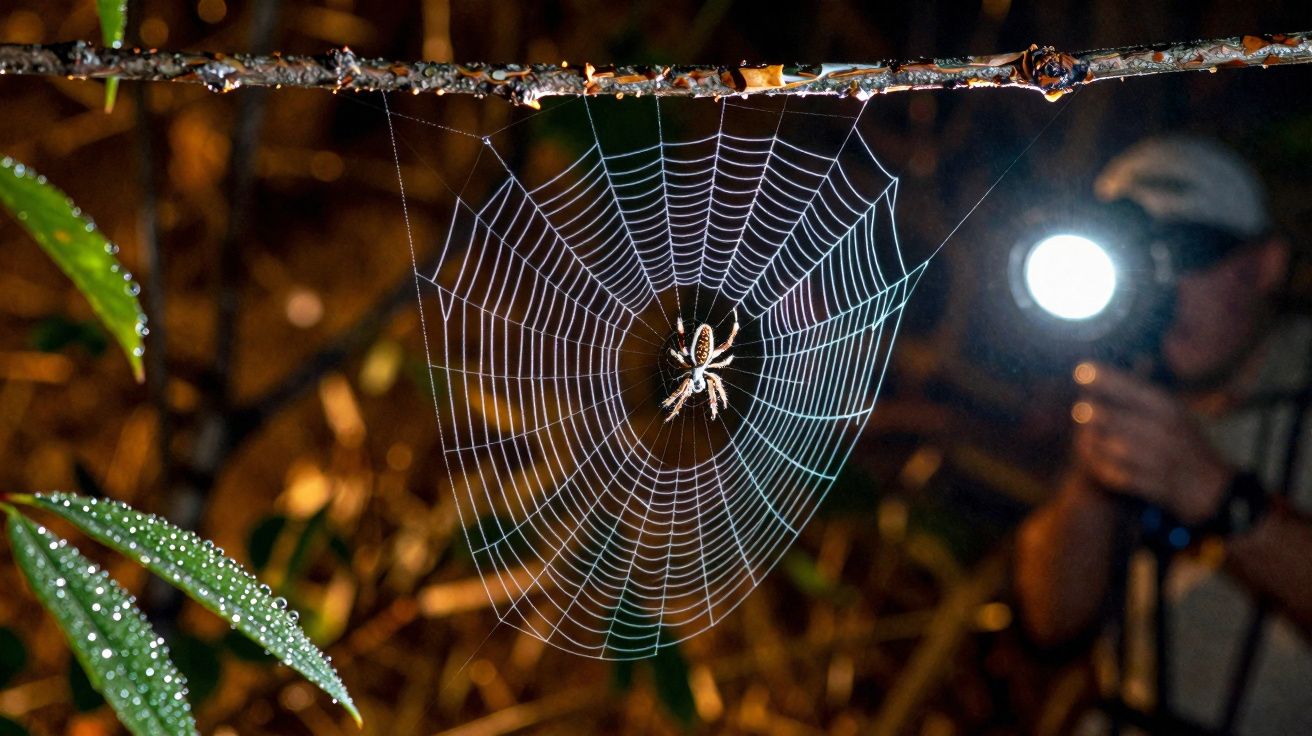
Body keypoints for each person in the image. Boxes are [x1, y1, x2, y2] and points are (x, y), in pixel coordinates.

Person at [1014, 136, 1312, 734]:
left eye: (1190, 251)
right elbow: (1051, 620)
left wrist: (1217, 494)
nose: (1165, 286)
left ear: (1267, 264)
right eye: (1137, 254)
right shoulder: (1131, 379)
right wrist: (1094, 476)